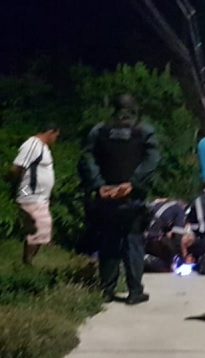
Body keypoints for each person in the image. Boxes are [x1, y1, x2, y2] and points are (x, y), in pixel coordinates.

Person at [78, 94, 160, 305]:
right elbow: (151, 161)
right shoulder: (144, 131)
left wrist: (99, 185)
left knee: (108, 242)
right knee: (133, 242)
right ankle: (134, 291)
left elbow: (87, 158)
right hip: (132, 197)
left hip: (106, 197)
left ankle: (107, 289)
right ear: (134, 109)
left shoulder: (99, 131)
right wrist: (132, 183)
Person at [9, 123, 60, 264]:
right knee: (39, 227)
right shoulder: (33, 144)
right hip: (30, 193)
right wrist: (17, 188)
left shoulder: (43, 148)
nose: (56, 139)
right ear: (50, 132)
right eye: (56, 135)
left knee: (39, 229)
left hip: (39, 196)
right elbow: (16, 168)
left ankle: (28, 262)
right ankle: (27, 262)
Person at [144, 198, 188, 272]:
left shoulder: (157, 204)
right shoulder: (179, 210)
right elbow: (178, 235)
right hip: (153, 237)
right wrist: (181, 257)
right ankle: (147, 260)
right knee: (168, 265)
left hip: (140, 235)